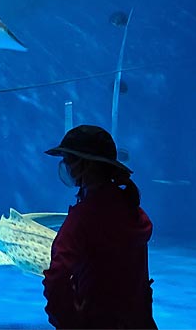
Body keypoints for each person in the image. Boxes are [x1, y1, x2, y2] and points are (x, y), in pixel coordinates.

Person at [42, 124, 157, 329]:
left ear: (85, 165)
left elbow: (56, 280)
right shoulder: (132, 209)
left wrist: (70, 322)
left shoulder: (83, 218)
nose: (65, 166)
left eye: (68, 160)